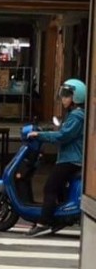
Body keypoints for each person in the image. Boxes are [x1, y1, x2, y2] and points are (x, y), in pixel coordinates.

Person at [26, 78, 86, 238]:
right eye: (63, 95)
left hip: (71, 159)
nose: (64, 99)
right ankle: (57, 218)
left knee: (50, 187)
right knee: (58, 187)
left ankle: (44, 222)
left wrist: (40, 135)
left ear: (76, 97)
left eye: (67, 95)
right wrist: (46, 131)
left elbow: (63, 136)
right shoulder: (73, 115)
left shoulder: (77, 116)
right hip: (69, 158)